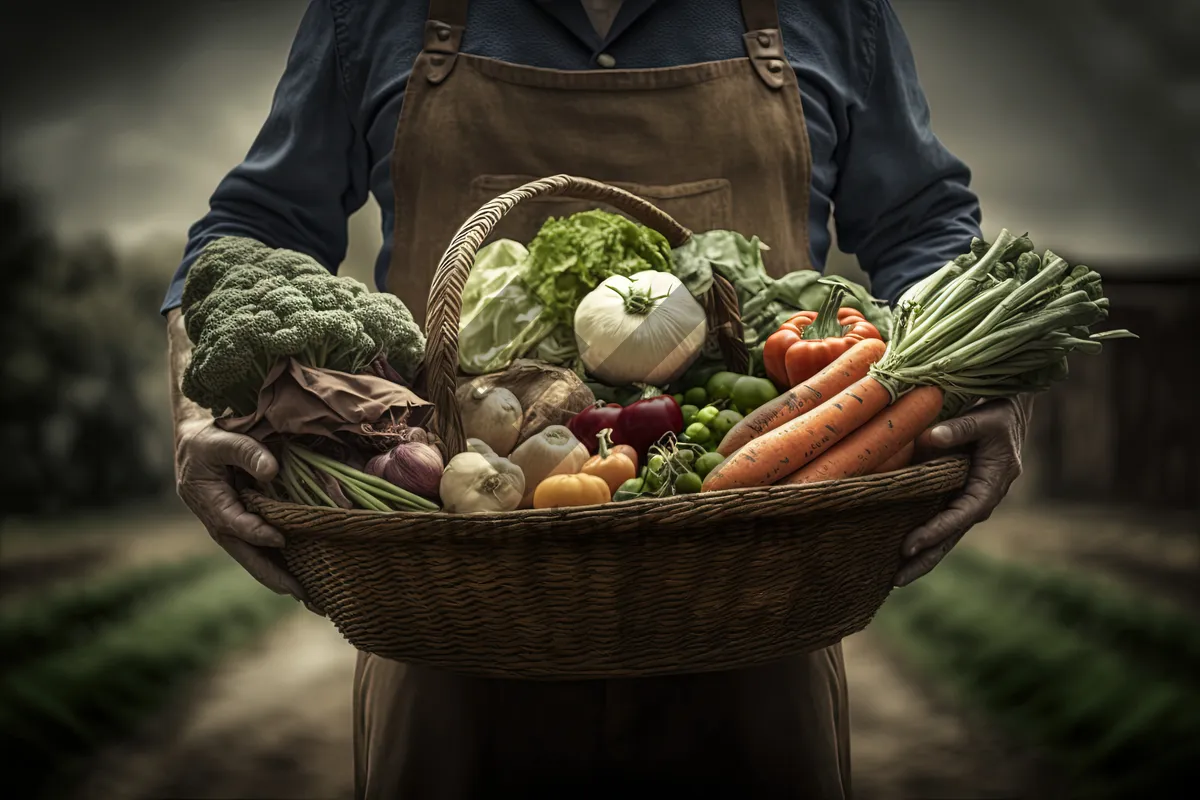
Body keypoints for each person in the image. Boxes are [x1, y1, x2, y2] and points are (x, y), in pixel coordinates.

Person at [165, 1, 1034, 796]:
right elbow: (257, 226)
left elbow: (924, 228)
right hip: (449, 617)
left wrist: (976, 383)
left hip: (762, 613)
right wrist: (201, 412)